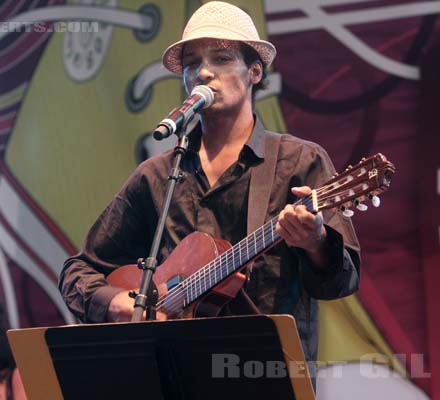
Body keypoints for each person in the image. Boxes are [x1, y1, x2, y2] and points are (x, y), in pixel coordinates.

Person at [58, 0, 360, 380]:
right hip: (172, 375)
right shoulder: (157, 176)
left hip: (263, 376)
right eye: (191, 63)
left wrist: (315, 241)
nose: (203, 72)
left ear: (254, 71)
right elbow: (79, 269)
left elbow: (341, 281)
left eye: (220, 58)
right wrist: (116, 303)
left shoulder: (299, 162)